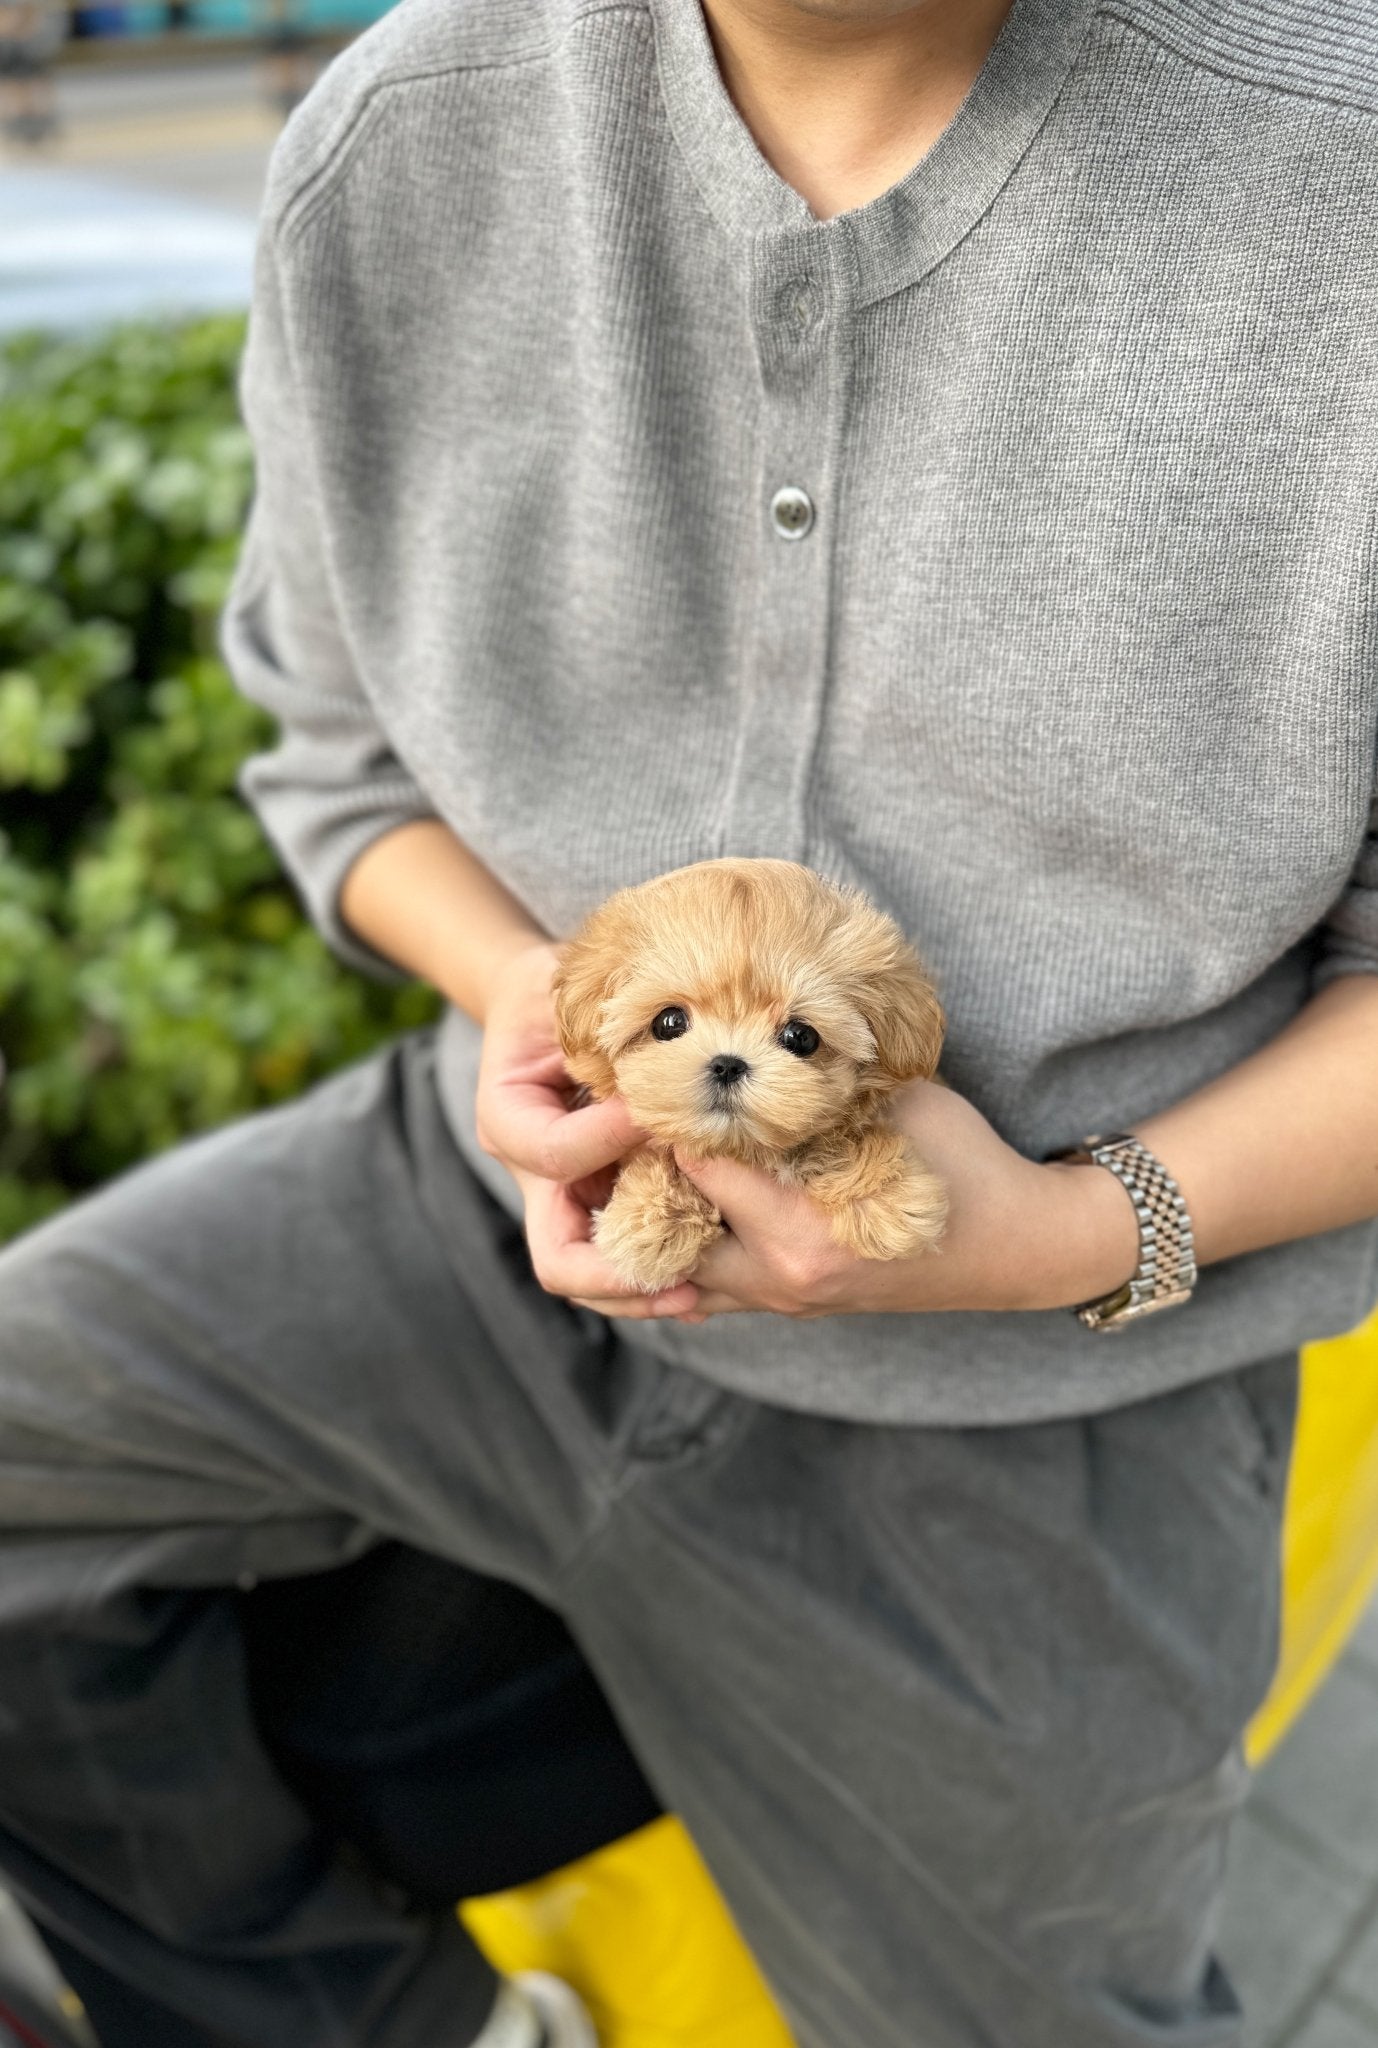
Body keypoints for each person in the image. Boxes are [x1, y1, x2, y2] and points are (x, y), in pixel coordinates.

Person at [0, 0, 1376, 2041]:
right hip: (486, 1206)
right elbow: (337, 754)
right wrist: (531, 1019)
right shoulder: (395, 146)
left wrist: (1075, 1234)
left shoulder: (1328, 168)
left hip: (1066, 1387)